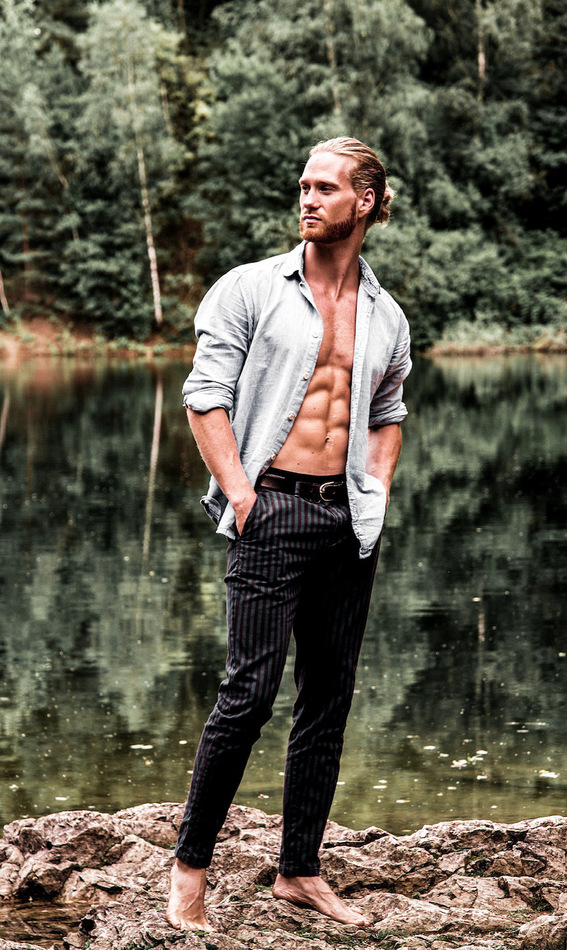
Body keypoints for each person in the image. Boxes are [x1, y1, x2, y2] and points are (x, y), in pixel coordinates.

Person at [167, 137, 412, 931]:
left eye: (325, 188)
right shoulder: (248, 290)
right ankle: (189, 872)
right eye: (303, 185)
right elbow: (204, 396)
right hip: (270, 509)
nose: (307, 198)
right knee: (247, 697)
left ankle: (299, 871)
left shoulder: (386, 315)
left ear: (365, 201)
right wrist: (242, 495)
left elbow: (387, 412)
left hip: (347, 521)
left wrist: (375, 495)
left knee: (328, 700)